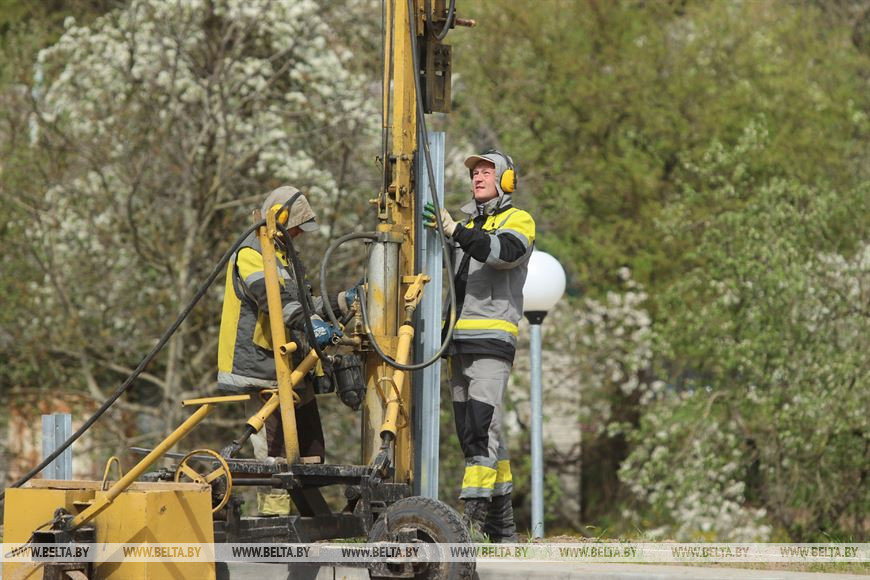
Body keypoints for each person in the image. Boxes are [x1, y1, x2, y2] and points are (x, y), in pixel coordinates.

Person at [217, 185, 354, 514]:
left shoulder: (283, 256)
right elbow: (273, 301)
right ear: (278, 218)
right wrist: (311, 325)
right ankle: (273, 521)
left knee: (310, 448)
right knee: (274, 453)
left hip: (291, 367)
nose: (299, 234)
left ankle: (311, 518)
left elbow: (303, 304)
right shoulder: (251, 253)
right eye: (296, 227)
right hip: (263, 368)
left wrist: (340, 303)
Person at [423, 149, 535, 542]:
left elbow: (501, 253)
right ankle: (502, 528)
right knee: (475, 433)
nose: (478, 177)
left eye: (487, 171)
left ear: (506, 180)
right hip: (456, 343)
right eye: (475, 172)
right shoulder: (466, 225)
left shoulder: (518, 221)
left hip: (491, 341)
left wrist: (456, 231)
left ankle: (470, 521)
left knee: (480, 429)